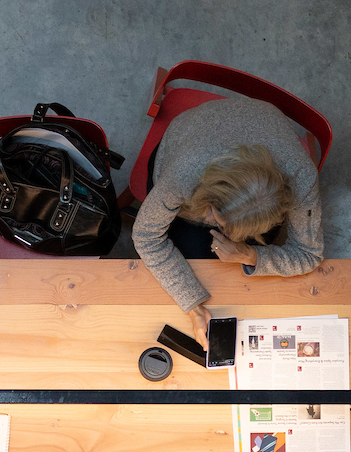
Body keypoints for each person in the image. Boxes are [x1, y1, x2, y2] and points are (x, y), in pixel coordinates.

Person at [133, 97, 323, 349]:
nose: (213, 226)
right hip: (186, 142)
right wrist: (193, 306)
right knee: (193, 254)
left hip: (258, 124)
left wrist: (252, 255)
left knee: (216, 267)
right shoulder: (185, 173)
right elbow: (146, 236)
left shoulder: (302, 180)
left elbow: (309, 254)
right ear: (210, 195)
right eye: (214, 216)